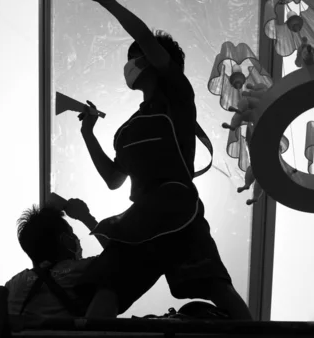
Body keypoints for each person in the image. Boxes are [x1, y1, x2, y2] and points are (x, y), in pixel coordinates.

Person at [75, 0, 252, 320]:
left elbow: (143, 35)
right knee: (107, 288)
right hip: (141, 216)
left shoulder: (177, 95)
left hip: (177, 205)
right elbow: (114, 179)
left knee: (215, 287)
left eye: (136, 58)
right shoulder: (127, 131)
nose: (129, 66)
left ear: (155, 60)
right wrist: (88, 133)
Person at [4, 198, 107, 323]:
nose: (77, 240)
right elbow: (123, 257)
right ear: (66, 240)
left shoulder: (12, 287)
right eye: (72, 234)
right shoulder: (82, 271)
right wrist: (86, 217)